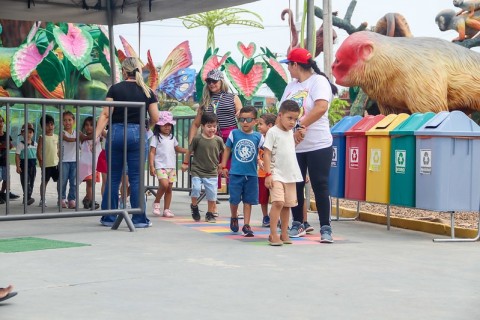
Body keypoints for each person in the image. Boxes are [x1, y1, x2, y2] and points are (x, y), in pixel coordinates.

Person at [280, 47, 338, 243]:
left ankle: (325, 227)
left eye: (289, 65)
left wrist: (300, 125)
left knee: (320, 184)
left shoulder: (318, 81)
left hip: (318, 144)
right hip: (295, 145)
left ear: (295, 65)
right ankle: (298, 223)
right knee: (295, 184)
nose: (288, 69)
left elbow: (321, 108)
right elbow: (282, 112)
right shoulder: (291, 87)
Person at [95, 56, 159, 228]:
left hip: (116, 132)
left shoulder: (114, 89)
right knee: (137, 178)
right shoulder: (147, 91)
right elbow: (155, 117)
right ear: (138, 70)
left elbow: (106, 114)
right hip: (137, 133)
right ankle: (138, 219)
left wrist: (96, 134)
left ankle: (108, 217)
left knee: (113, 176)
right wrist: (147, 128)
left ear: (123, 71)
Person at [188, 69, 242, 215]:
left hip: (230, 136)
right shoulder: (205, 101)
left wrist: (240, 114)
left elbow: (241, 113)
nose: (212, 84)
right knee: (213, 172)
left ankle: (235, 208)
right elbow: (195, 124)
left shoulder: (232, 97)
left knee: (231, 171)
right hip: (211, 139)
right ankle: (213, 208)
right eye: (209, 81)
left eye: (214, 81)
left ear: (221, 81)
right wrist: (192, 143)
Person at [263, 100, 303, 246]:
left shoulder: (290, 133)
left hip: (290, 174)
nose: (292, 122)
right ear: (280, 115)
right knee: (278, 202)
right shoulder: (272, 132)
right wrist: (268, 174)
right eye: (289, 118)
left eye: (295, 119)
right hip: (276, 174)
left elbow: (290, 152)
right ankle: (273, 234)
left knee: (287, 205)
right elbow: (266, 153)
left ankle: (284, 233)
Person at [220, 106, 264, 237]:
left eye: (248, 119)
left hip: (251, 174)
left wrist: (264, 164)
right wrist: (223, 166)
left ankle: (246, 224)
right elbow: (227, 149)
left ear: (255, 121)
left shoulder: (258, 137)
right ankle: (234, 216)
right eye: (242, 119)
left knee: (248, 200)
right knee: (234, 199)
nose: (245, 122)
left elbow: (266, 151)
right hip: (236, 173)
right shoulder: (234, 134)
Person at [181, 112, 225, 223]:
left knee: (212, 194)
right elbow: (189, 151)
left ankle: (209, 213)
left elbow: (225, 152)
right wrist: (185, 163)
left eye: (214, 126)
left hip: (211, 172)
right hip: (197, 170)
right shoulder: (197, 139)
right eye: (209, 126)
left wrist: (222, 165)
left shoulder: (218, 140)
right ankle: (194, 206)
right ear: (202, 126)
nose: (212, 129)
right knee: (195, 189)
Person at [149, 111, 187, 217]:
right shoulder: (156, 137)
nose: (167, 127)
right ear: (159, 126)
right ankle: (157, 202)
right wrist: (152, 166)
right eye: (164, 125)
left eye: (169, 125)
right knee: (164, 185)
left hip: (171, 166)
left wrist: (187, 151)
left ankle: (167, 209)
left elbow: (177, 148)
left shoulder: (172, 138)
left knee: (169, 188)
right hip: (160, 166)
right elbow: (152, 152)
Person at [256, 112, 276, 228]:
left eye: (261, 124)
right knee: (263, 198)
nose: (258, 126)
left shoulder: (275, 138)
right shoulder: (259, 138)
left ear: (270, 126)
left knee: (275, 197)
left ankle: (275, 216)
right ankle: (265, 216)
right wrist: (259, 160)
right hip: (262, 173)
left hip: (274, 173)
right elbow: (256, 152)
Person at [79, 116, 101, 210]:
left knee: (92, 184)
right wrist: (84, 137)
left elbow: (100, 133)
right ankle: (91, 201)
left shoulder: (98, 136)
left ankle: (87, 199)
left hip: (95, 165)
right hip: (86, 165)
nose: (89, 127)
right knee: (90, 184)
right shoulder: (81, 137)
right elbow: (79, 134)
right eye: (87, 125)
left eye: (92, 125)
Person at [37, 114, 59, 207]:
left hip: (55, 164)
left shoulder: (56, 136)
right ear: (42, 127)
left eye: (51, 124)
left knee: (60, 181)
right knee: (44, 182)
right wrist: (41, 161)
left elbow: (58, 150)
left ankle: (60, 198)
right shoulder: (42, 137)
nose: (50, 127)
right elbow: (38, 151)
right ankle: (42, 199)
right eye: (47, 125)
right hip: (46, 165)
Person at [15, 123, 37, 205]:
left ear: (32, 134)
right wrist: (18, 166)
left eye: (30, 132)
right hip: (24, 166)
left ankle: (27, 197)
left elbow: (38, 154)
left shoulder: (35, 144)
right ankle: (27, 197)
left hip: (33, 166)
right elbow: (17, 156)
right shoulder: (20, 144)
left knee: (31, 181)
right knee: (25, 181)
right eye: (26, 132)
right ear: (22, 133)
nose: (28, 134)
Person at [0, 114, 20, 204]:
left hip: (5, 160)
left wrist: (10, 145)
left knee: (6, 178)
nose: (0, 123)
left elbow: (11, 146)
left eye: (1, 121)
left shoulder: (6, 135)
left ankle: (2, 193)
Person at [60, 111, 77, 209]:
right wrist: (77, 138)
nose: (67, 122)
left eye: (69, 120)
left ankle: (71, 199)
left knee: (73, 182)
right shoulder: (62, 133)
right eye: (65, 120)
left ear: (73, 121)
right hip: (64, 160)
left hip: (75, 160)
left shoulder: (76, 133)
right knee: (63, 181)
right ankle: (62, 198)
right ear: (62, 122)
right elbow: (67, 139)